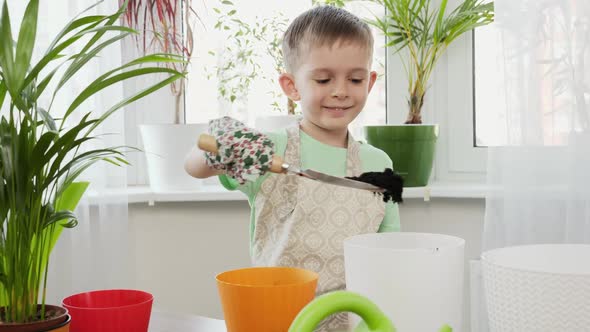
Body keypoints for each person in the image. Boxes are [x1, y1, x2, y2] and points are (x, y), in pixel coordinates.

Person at [184, 5, 400, 330]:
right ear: (292, 86)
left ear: (369, 83)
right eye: (324, 79)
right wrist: (223, 144)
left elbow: (390, 251)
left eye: (354, 79)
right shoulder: (271, 149)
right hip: (276, 320)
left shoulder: (379, 164)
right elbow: (194, 167)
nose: (340, 90)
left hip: (354, 323)